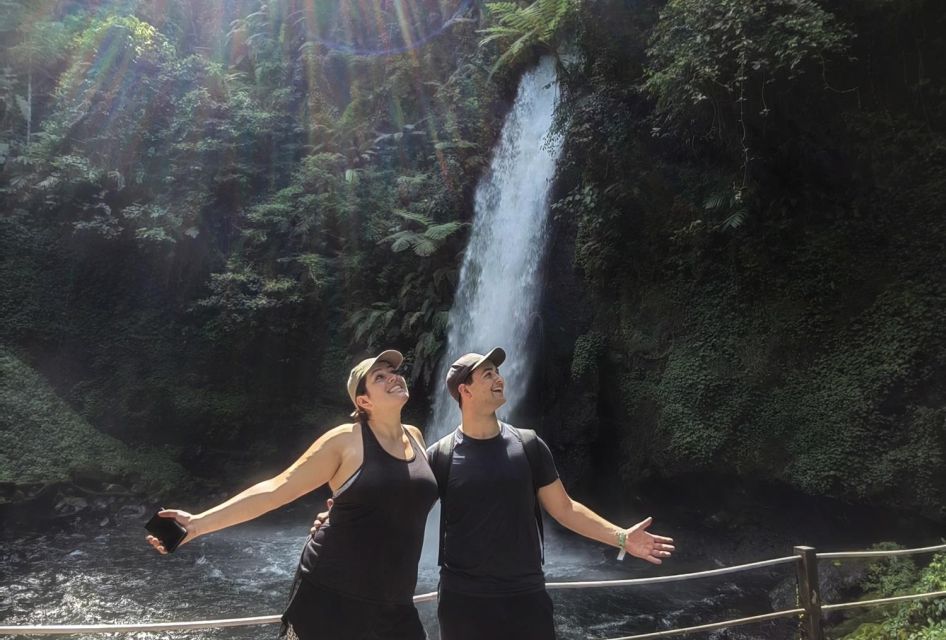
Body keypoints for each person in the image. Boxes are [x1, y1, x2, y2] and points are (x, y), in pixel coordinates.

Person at [145, 350, 438, 640]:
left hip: (395, 600)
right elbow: (276, 490)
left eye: (394, 372)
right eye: (380, 376)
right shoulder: (345, 441)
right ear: (364, 400)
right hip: (333, 595)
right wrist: (197, 524)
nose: (393, 378)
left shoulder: (415, 436)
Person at [428, 347, 675, 640]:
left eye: (498, 372)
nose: (500, 379)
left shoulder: (528, 445)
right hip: (462, 599)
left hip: (524, 595)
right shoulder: (439, 456)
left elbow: (565, 509)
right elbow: (404, 515)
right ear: (464, 390)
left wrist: (622, 538)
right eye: (488, 374)